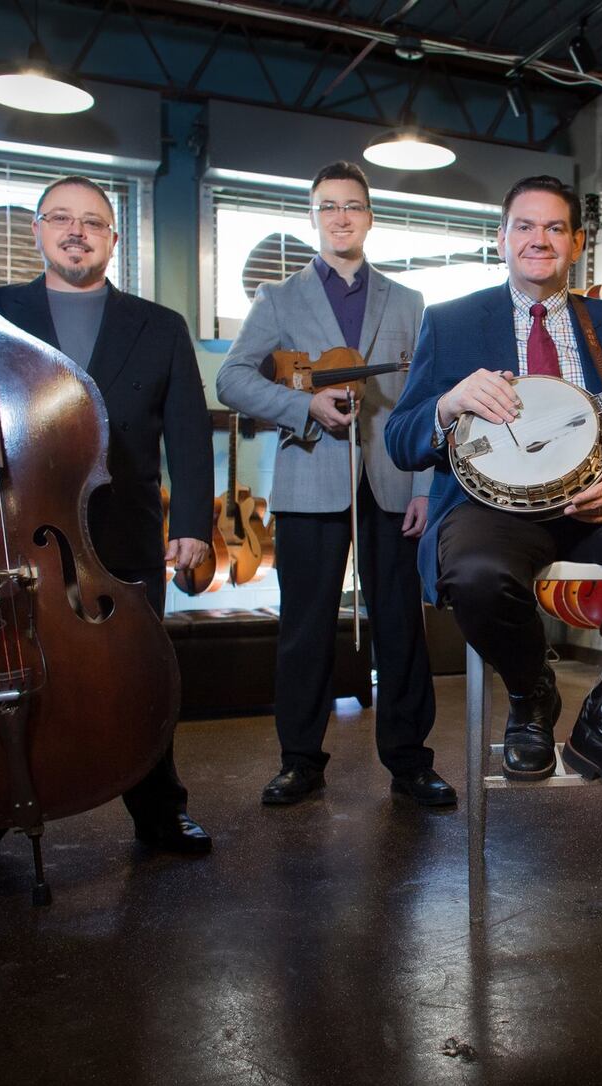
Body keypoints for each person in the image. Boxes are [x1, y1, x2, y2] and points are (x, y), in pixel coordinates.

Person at [384, 176, 602, 827]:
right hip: (493, 512)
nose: (538, 240)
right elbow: (402, 438)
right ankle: (531, 691)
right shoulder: (454, 322)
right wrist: (446, 404)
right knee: (476, 573)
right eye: (524, 226)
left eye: (553, 228)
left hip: (599, 506)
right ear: (502, 238)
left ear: (576, 242)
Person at [0, 175, 215, 885]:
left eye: (92, 221)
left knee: (136, 676)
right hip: (7, 532)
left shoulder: (160, 325)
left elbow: (187, 433)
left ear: (112, 239)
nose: (76, 231)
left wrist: (191, 525)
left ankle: (158, 811)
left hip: (121, 533)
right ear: (36, 231)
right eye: (60, 218)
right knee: (0, 671)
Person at [217, 161, 449, 808]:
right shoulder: (278, 299)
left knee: (401, 624)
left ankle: (410, 762)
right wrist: (304, 408)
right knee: (306, 627)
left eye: (353, 205)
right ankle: (299, 760)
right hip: (309, 478)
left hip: (394, 480)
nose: (341, 217)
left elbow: (424, 398)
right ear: (313, 217)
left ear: (370, 217)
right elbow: (232, 379)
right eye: (328, 207)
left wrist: (427, 487)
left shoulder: (409, 303)